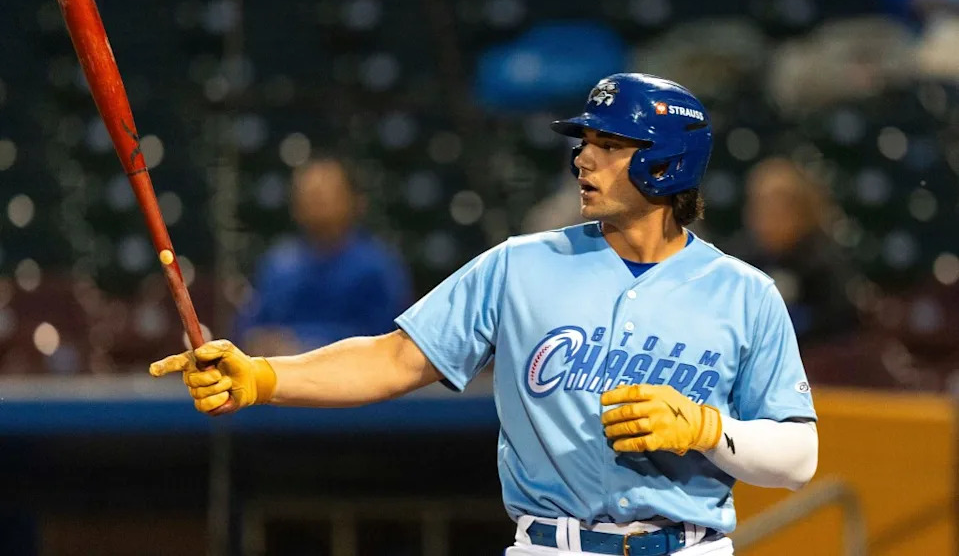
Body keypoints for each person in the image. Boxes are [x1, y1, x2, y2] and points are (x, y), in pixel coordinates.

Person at [152, 74, 818, 556]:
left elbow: (797, 458)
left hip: (689, 546)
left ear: (667, 162)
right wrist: (264, 376)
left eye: (608, 144)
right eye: (582, 140)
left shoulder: (744, 292)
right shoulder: (519, 265)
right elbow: (393, 359)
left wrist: (704, 426)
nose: (582, 157)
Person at [233, 156, 413, 355]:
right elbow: (248, 327)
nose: (316, 203)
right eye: (307, 195)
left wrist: (305, 344)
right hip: (282, 377)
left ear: (355, 201)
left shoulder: (378, 267)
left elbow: (390, 338)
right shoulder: (277, 263)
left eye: (325, 195)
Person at [736, 157, 860, 347]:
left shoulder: (824, 263)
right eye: (761, 207)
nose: (768, 218)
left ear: (802, 211)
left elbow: (839, 322)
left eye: (779, 208)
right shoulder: (738, 261)